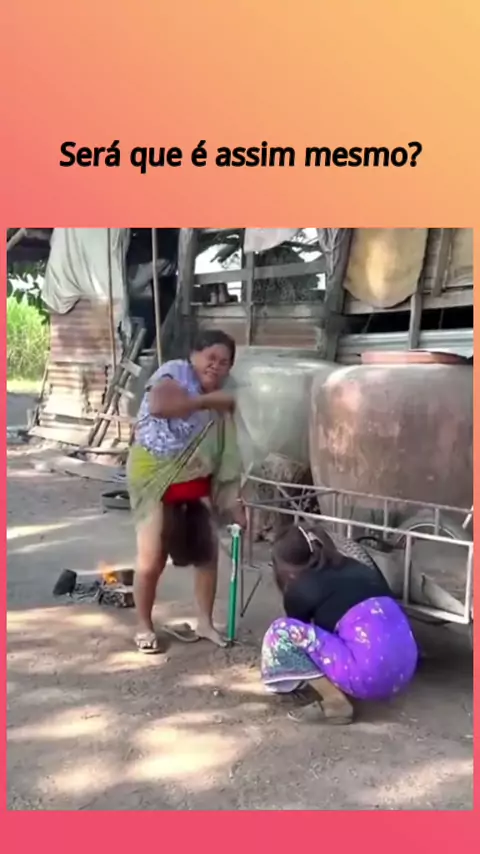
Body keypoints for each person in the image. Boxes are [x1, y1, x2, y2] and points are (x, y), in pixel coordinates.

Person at [127, 329, 246, 653]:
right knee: (152, 558)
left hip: (195, 477)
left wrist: (233, 500)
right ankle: (143, 625)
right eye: (210, 357)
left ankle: (205, 622)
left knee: (207, 554)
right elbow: (160, 406)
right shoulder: (176, 372)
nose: (216, 366)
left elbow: (228, 451)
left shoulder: (227, 391)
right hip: (155, 476)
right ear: (194, 356)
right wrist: (207, 401)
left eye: (224, 362)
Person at [261, 524, 418, 724]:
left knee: (281, 633)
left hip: (369, 677)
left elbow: (299, 639)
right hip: (406, 667)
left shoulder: (299, 589)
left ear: (284, 566)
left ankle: (335, 702)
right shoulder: (357, 566)